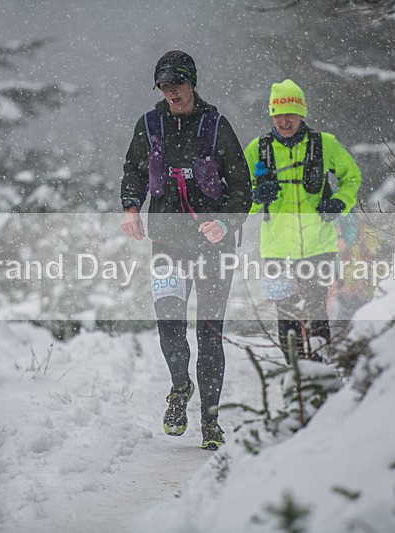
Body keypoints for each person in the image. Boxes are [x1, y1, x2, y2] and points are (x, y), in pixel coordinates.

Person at [119, 51, 251, 450]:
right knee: (170, 324)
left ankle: (210, 421)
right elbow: (135, 170)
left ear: (192, 84)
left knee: (210, 334)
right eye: (164, 87)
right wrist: (130, 207)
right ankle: (180, 388)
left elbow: (243, 188)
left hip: (214, 246)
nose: (170, 93)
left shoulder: (216, 126)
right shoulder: (150, 125)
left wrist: (225, 222)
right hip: (168, 244)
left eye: (177, 86)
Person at [243, 79, 361, 360]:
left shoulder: (324, 144)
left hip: (318, 245)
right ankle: (296, 374)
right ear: (271, 115)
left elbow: (352, 177)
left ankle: (320, 377)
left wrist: (338, 204)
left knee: (318, 313)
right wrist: (257, 195)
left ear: (302, 114)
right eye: (279, 114)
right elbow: (237, 201)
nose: (285, 121)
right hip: (277, 251)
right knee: (287, 316)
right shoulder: (257, 150)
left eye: (291, 114)